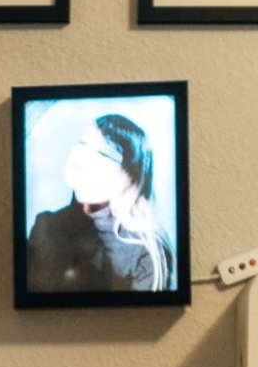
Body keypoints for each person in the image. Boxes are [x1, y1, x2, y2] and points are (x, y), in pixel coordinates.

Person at [24, 111, 175, 294]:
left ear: (129, 177)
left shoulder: (147, 253)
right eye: (82, 143)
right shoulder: (47, 225)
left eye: (102, 153)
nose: (80, 156)